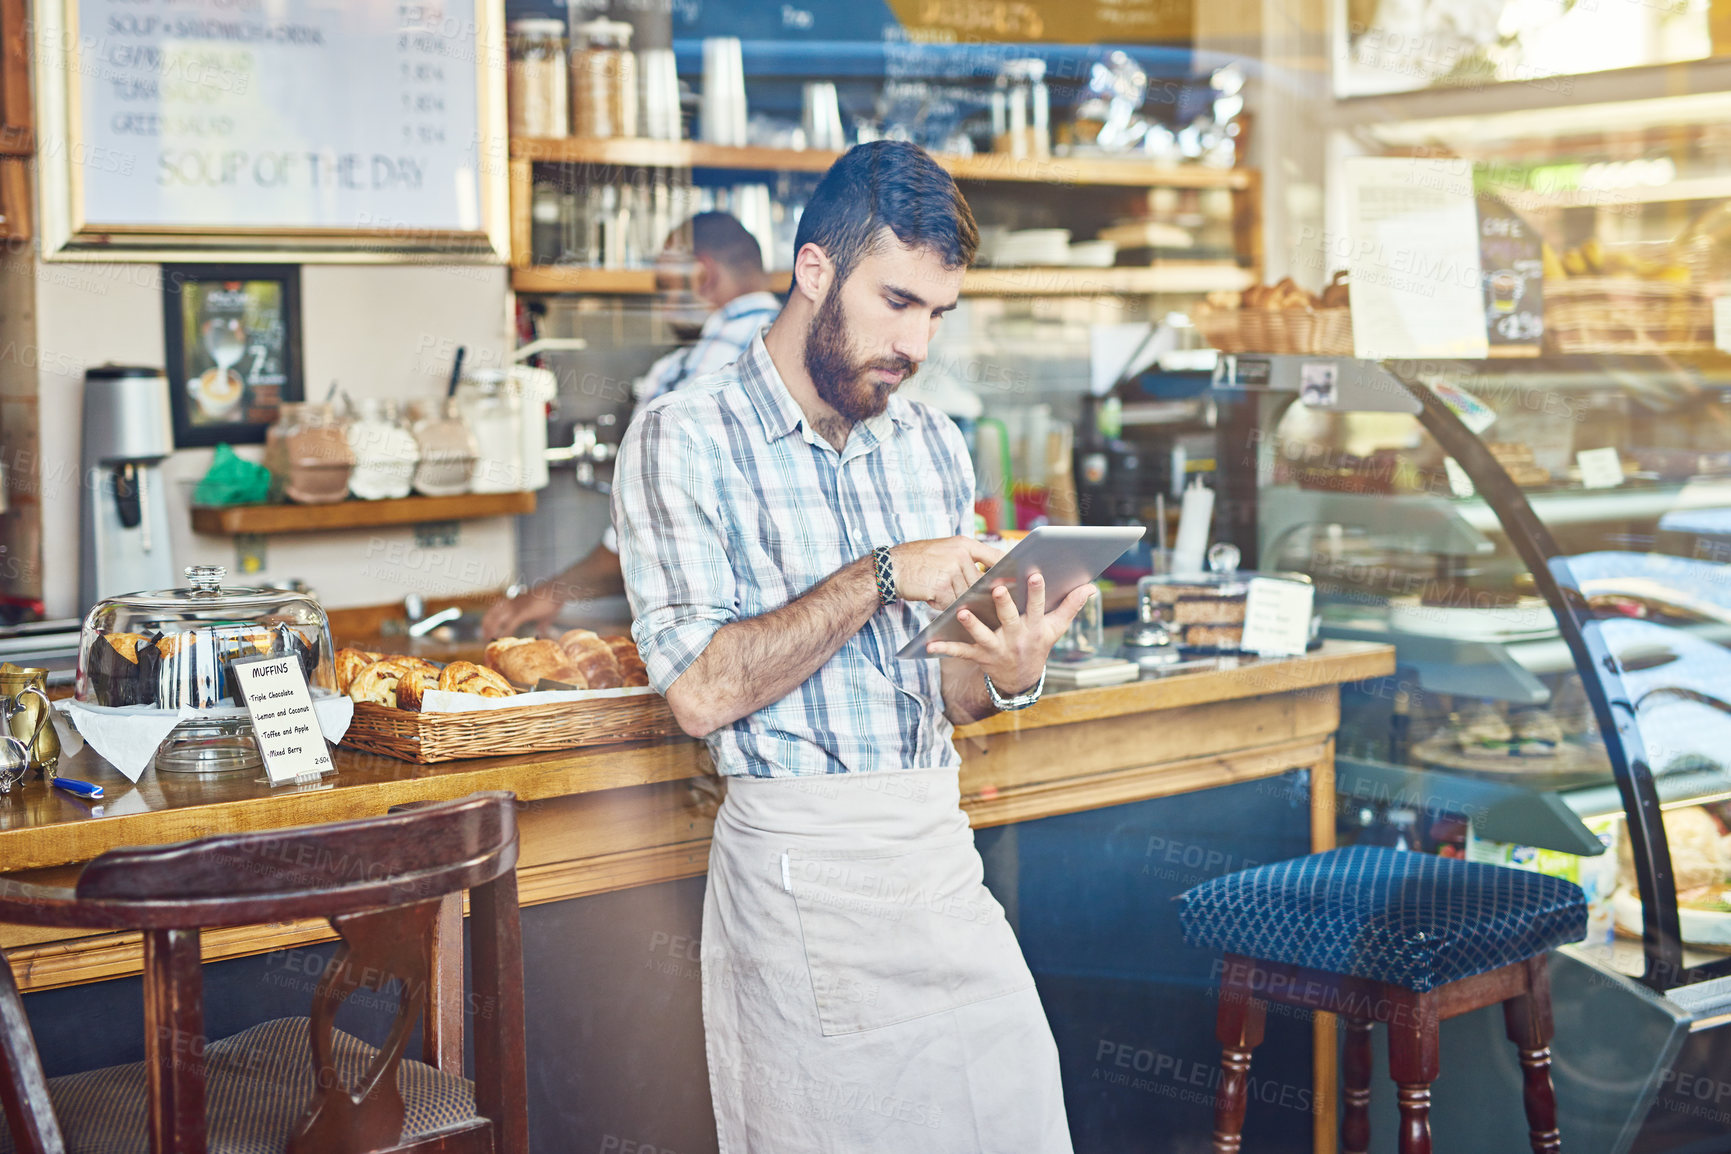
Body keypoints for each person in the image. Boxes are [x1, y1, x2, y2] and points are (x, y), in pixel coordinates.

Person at [612, 141, 1090, 1153]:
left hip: (937, 859)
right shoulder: (681, 435)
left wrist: (1010, 668)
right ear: (814, 270)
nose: (916, 344)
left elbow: (952, 692)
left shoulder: (929, 442)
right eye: (898, 302)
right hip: (801, 878)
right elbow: (699, 691)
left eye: (937, 315)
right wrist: (876, 572)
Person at [481, 212, 781, 639]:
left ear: (700, 275)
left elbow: (645, 536)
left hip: (726, 644)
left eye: (663, 288)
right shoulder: (806, 352)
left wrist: (550, 593)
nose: (660, 306)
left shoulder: (689, 374)